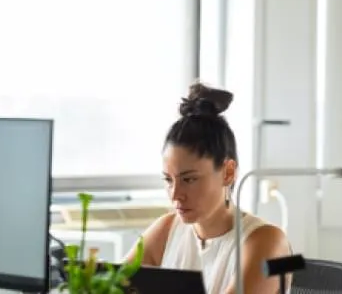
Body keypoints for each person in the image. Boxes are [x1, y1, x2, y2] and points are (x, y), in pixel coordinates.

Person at [125, 82, 292, 294]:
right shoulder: (166, 229)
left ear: (228, 172)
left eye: (189, 179)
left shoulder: (267, 242)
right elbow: (111, 287)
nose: (175, 195)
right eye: (169, 180)